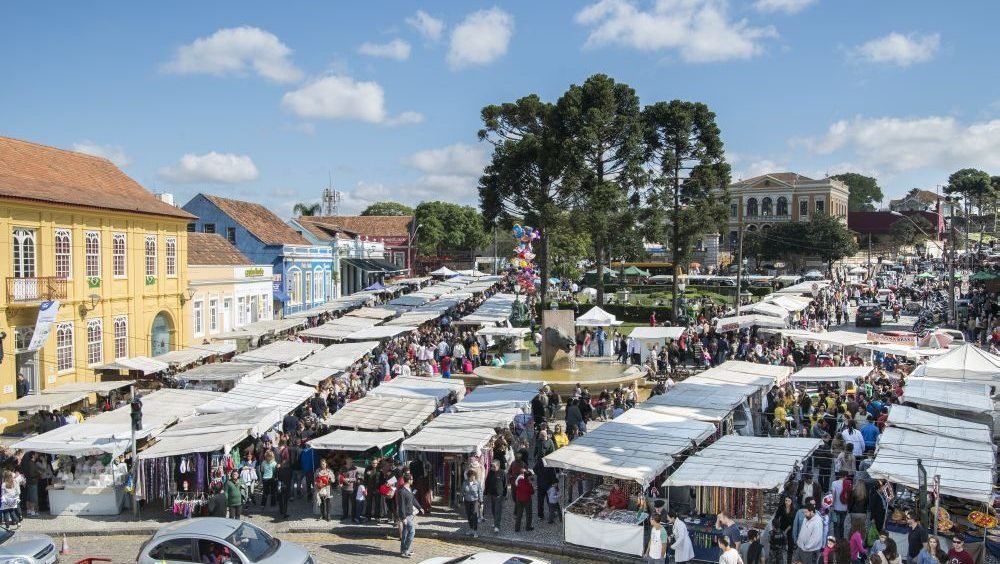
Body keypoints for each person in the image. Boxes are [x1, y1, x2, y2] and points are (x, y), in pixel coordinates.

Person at [397, 474, 418, 558]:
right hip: (405, 516)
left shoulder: (409, 489)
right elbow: (401, 505)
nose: (412, 480)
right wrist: (403, 518)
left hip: (409, 514)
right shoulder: (402, 491)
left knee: (405, 533)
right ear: (408, 480)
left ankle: (403, 550)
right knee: (412, 531)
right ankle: (406, 550)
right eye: (412, 479)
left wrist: (420, 508)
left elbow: (413, 499)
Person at [484, 460, 507, 534]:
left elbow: (505, 484)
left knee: (497, 511)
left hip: (499, 495)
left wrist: (504, 494)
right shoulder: (490, 472)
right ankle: (495, 521)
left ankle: (497, 526)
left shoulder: (502, 473)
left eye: (494, 466)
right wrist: (486, 492)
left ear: (498, 466)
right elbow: (487, 482)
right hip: (491, 494)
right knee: (493, 510)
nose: (492, 468)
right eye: (491, 466)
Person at [460, 470, 483, 538]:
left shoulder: (477, 483)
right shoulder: (465, 483)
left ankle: (475, 531)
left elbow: (480, 492)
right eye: (471, 477)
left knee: (474, 515)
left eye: (474, 476)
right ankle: (471, 529)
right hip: (467, 501)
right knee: (469, 515)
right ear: (468, 477)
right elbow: (462, 492)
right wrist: (460, 500)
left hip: (475, 501)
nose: (473, 478)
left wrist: (481, 501)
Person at [514, 468, 534, 532]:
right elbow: (532, 492)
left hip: (519, 499)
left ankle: (517, 528)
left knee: (519, 514)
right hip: (527, 500)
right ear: (528, 477)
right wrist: (532, 485)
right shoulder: (529, 484)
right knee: (528, 514)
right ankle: (528, 527)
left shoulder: (520, 481)